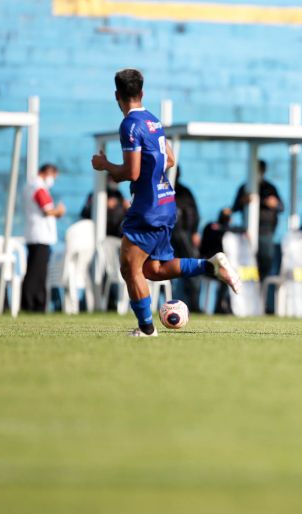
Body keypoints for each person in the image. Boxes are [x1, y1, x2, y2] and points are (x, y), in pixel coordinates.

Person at [90, 68, 240, 337]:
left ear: (117, 96)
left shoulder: (129, 125)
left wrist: (105, 165)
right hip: (166, 201)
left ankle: (146, 329)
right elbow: (169, 160)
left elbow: (131, 172)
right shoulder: (153, 121)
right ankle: (211, 265)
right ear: (142, 93)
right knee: (154, 269)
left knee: (129, 266)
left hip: (147, 207)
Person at [21, 163, 65, 312]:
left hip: (36, 234)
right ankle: (31, 304)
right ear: (47, 172)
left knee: (38, 271)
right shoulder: (38, 188)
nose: (53, 180)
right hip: (40, 236)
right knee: (36, 273)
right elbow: (47, 210)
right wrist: (59, 211)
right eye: (53, 176)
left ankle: (37, 304)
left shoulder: (31, 186)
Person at [232, 159, 283, 280]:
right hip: (248, 232)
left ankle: (262, 282)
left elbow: (281, 207)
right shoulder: (245, 187)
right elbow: (234, 207)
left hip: (266, 231)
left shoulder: (270, 188)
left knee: (266, 258)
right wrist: (243, 201)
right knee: (247, 261)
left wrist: (274, 204)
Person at [170, 166, 202, 312]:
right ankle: (168, 303)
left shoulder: (185, 192)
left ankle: (194, 304)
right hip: (167, 236)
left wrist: (195, 232)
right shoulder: (160, 189)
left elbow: (195, 213)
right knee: (165, 270)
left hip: (185, 236)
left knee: (192, 267)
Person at [200, 208, 234, 314]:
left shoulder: (210, 227)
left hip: (206, 263)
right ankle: (220, 306)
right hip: (210, 265)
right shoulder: (220, 230)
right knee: (228, 276)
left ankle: (220, 305)